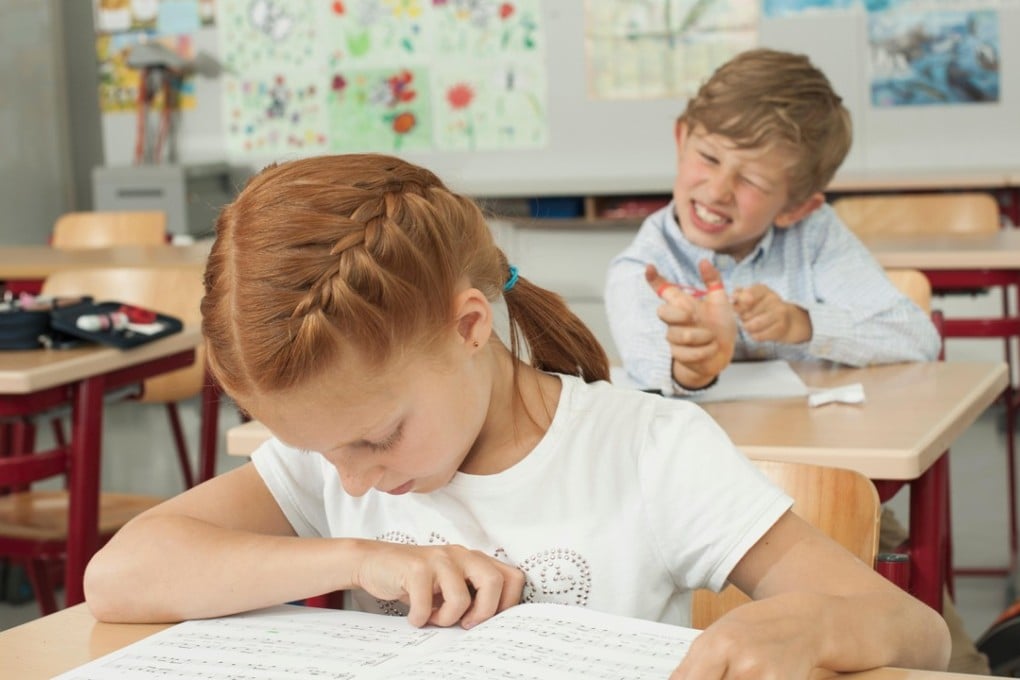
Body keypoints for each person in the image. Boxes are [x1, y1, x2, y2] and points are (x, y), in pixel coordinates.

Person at [84, 153, 950, 678]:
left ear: (469, 327)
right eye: (318, 450)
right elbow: (119, 578)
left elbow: (921, 635)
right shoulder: (334, 462)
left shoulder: (645, 452)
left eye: (377, 438)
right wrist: (358, 554)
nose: (351, 477)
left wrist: (805, 620)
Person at [604, 48, 987, 674]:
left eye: (751, 180)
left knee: (913, 619)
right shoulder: (640, 270)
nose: (717, 189)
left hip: (832, 487)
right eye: (708, 157)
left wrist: (803, 324)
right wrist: (696, 360)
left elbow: (913, 336)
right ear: (681, 139)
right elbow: (655, 369)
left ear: (796, 205)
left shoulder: (816, 238)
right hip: (699, 510)